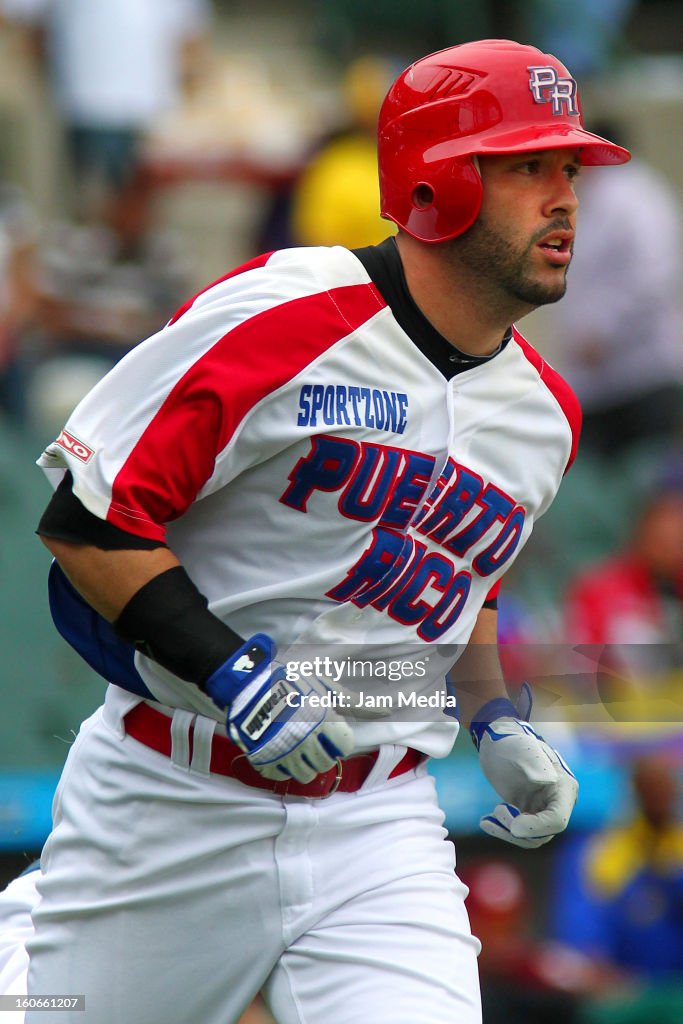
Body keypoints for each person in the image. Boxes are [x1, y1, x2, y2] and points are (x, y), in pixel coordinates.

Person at [28, 40, 628, 1024]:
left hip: (378, 823)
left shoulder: (544, 415)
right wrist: (233, 673)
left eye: (568, 170)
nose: (563, 197)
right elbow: (87, 523)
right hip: (171, 797)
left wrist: (497, 721)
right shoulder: (284, 310)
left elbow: (454, 592)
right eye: (528, 167)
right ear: (438, 180)